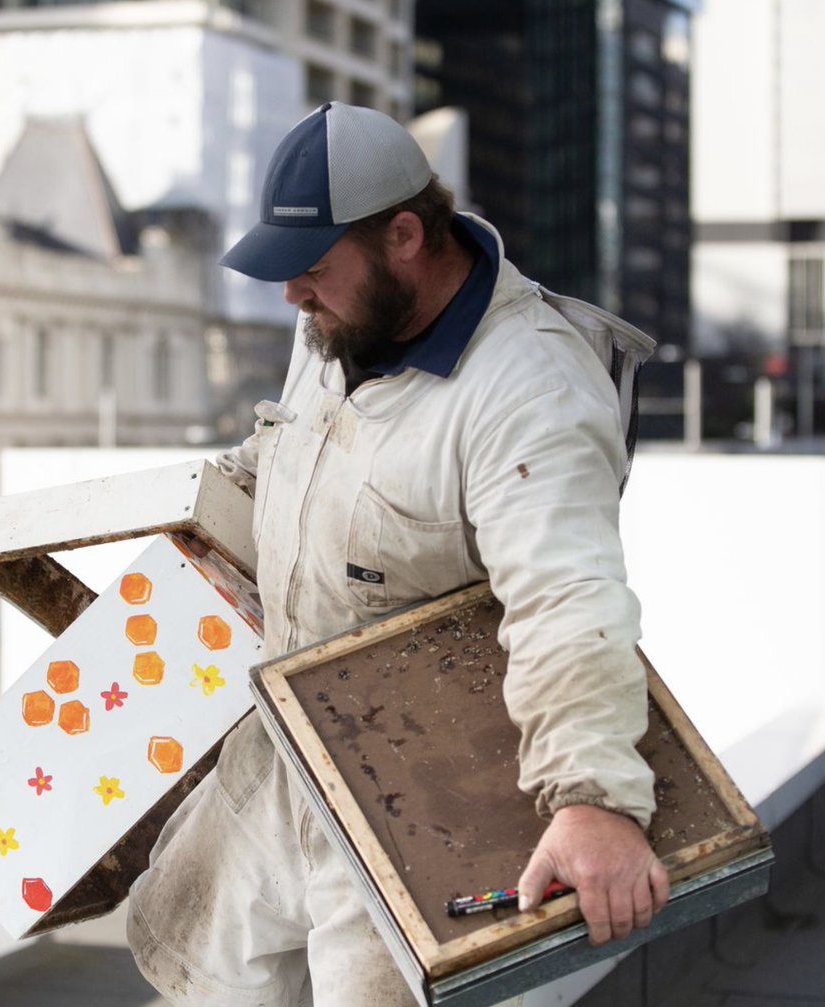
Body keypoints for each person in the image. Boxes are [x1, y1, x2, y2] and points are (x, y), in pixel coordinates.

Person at [128, 101, 668, 1007]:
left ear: (407, 235)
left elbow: (567, 603)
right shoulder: (345, 323)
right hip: (285, 751)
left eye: (310, 271)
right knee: (196, 973)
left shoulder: (529, 386)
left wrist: (592, 799)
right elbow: (292, 454)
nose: (290, 297)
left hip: (413, 795)